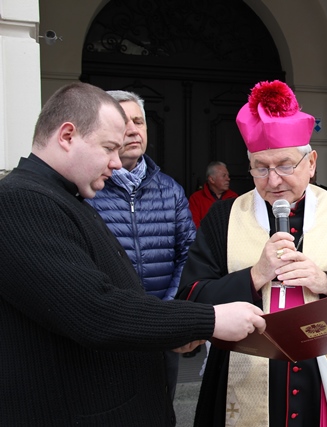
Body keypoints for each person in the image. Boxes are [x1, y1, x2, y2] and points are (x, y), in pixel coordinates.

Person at [0, 82, 266, 426]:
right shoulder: (21, 201)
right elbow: (94, 311)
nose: (116, 163)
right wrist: (210, 319)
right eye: (109, 148)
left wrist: (173, 329)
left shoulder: (64, 197)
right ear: (67, 136)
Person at [177, 80, 327, 427]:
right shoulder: (223, 218)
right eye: (260, 168)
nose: (273, 181)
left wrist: (326, 281)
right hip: (243, 378)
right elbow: (191, 300)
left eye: (285, 165)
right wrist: (254, 277)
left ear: (311, 163)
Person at [86, 90, 194, 401]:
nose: (133, 130)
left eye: (139, 121)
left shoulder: (170, 190)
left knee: (160, 408)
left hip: (162, 331)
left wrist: (166, 311)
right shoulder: (88, 190)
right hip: (110, 330)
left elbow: (188, 254)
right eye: (124, 123)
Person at [189, 160, 239, 229]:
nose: (228, 179)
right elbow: (194, 225)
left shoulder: (234, 198)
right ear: (211, 179)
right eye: (224, 176)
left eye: (228, 176)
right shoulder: (196, 199)